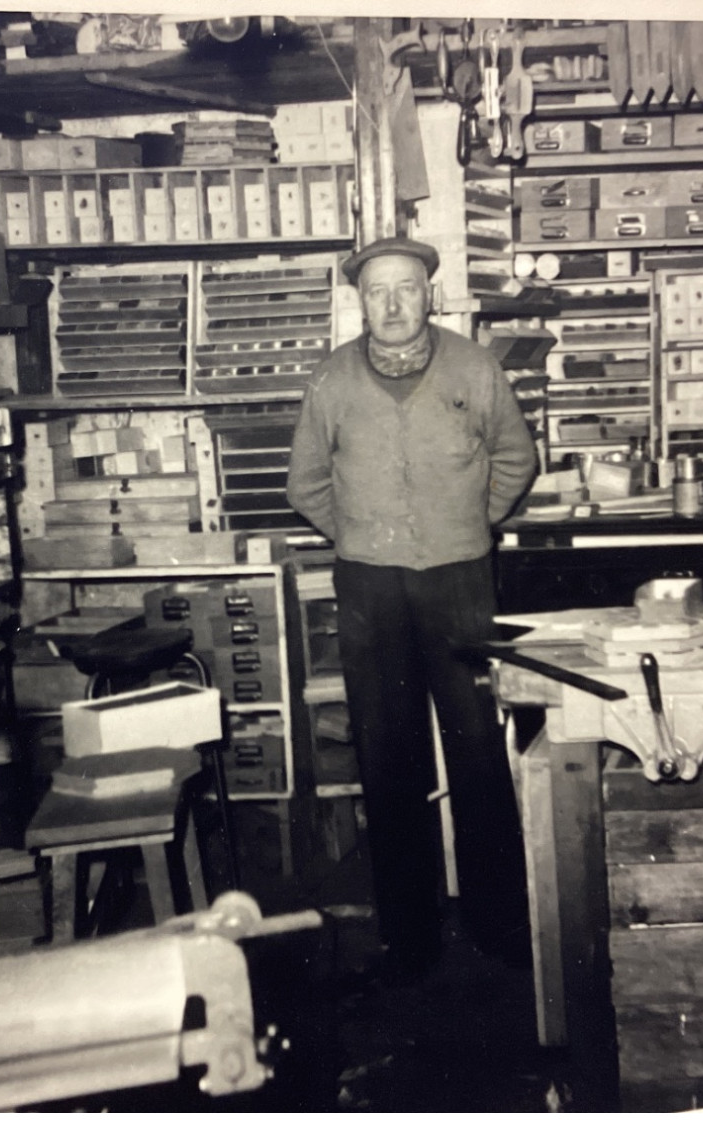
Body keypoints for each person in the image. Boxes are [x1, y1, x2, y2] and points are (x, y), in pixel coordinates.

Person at [286, 236, 538, 979]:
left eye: (405, 288)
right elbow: (305, 484)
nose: (392, 304)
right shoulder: (331, 380)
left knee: (478, 753)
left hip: (460, 580)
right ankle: (411, 934)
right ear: (358, 301)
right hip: (370, 587)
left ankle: (498, 924)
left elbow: (517, 458)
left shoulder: (474, 367)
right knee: (387, 757)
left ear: (429, 292)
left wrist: (468, 522)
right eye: (375, 292)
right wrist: (364, 533)